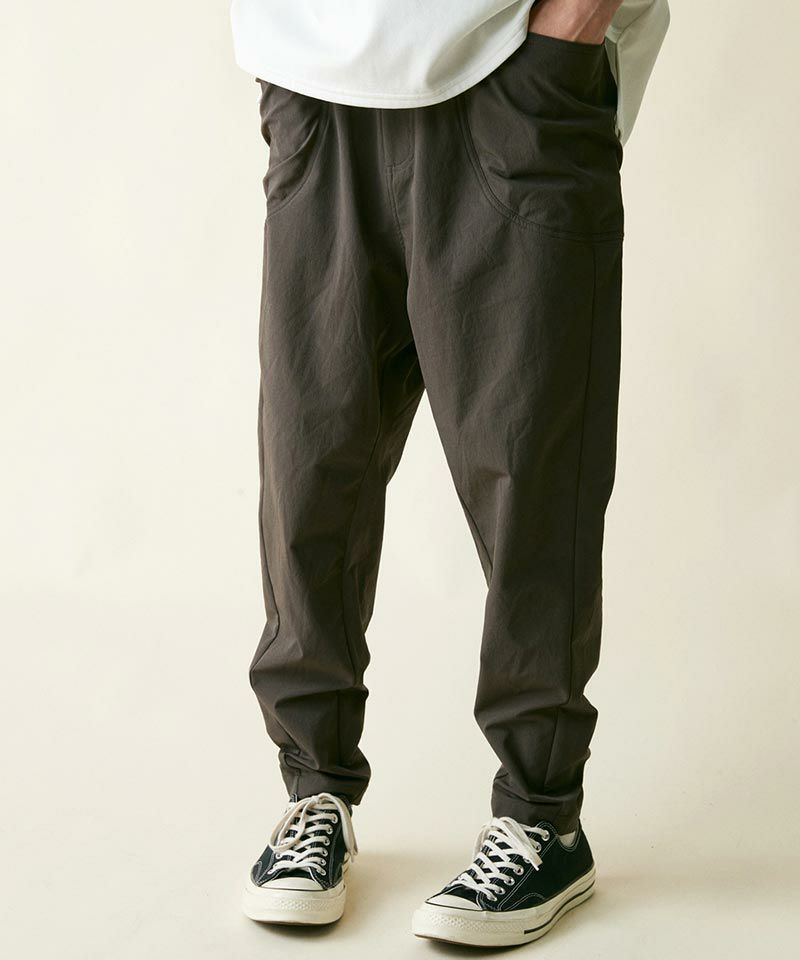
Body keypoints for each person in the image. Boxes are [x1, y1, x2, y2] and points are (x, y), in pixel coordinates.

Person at [231, 0, 669, 947]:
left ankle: (543, 819)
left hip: (512, 66)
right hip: (314, 78)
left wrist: (568, 30)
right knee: (309, 465)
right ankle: (313, 791)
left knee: (531, 470)